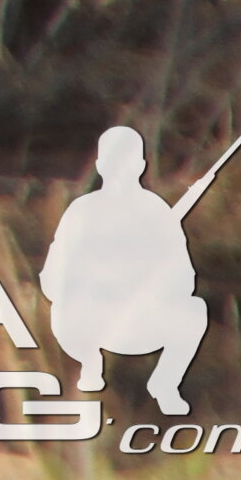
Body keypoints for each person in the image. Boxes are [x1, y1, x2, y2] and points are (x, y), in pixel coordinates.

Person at [46, 126, 212, 414]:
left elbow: (184, 278)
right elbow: (53, 278)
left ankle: (165, 384)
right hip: (89, 319)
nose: (120, 170)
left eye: (127, 162)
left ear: (141, 166)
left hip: (141, 319)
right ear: (100, 165)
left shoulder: (157, 212)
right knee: (64, 312)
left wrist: (151, 279)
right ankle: (89, 367)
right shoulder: (82, 211)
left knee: (194, 311)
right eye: (113, 162)